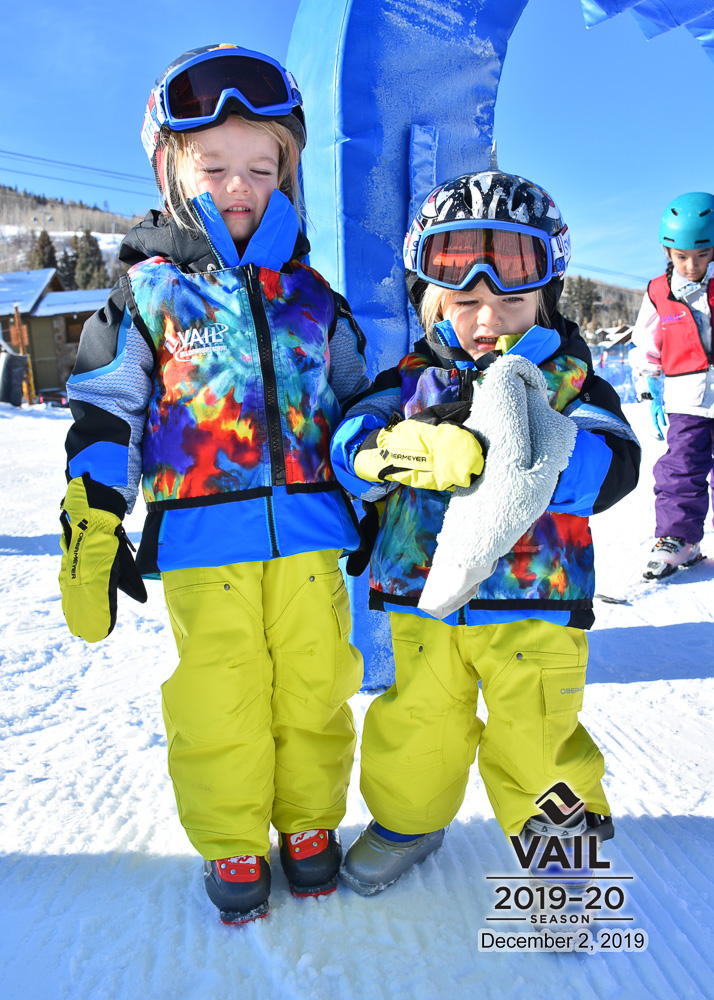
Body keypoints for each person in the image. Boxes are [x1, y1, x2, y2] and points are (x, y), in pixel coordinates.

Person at [57, 44, 370, 924]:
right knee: (221, 694)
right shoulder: (148, 295)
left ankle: (309, 826)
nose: (239, 186)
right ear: (171, 172)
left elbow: (356, 404)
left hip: (311, 536)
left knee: (315, 687)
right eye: (215, 166)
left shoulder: (315, 297)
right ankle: (232, 837)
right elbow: (105, 407)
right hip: (204, 542)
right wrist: (94, 511)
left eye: (261, 167)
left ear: (288, 175)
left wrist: (379, 474)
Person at [330, 170, 641, 895]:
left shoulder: (570, 382)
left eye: (510, 298)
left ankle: (562, 862)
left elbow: (615, 465)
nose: (487, 319)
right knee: (417, 728)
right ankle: (408, 821)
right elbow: (348, 449)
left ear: (547, 300)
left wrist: (536, 450)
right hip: (424, 603)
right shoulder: (406, 384)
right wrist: (386, 454)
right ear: (430, 303)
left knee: (538, 740)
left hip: (534, 607)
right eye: (464, 300)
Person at [628, 192, 714, 580]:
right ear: (668, 251)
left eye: (702, 254)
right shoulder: (658, 292)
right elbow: (646, 346)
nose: (691, 265)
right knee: (681, 469)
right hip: (686, 397)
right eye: (681, 256)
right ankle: (679, 539)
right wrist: (650, 392)